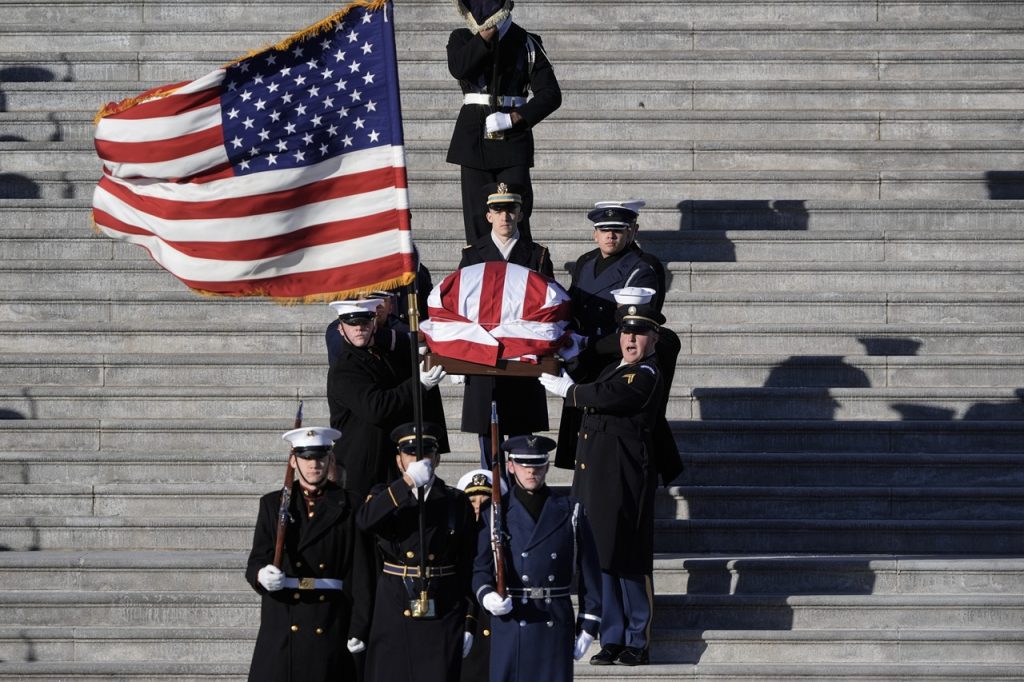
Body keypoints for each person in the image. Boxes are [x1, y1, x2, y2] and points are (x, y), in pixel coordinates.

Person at [539, 302, 679, 666]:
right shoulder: (616, 367)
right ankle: (612, 637)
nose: (631, 339)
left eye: (640, 333)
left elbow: (611, 397)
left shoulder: (646, 372)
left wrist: (570, 392)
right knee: (602, 557)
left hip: (625, 477)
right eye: (627, 333)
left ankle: (637, 638)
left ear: (653, 338)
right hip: (596, 477)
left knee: (629, 558)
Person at [245, 426, 372, 682]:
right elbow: (258, 556)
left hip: (329, 619)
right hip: (283, 619)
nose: (314, 464)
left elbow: (362, 572)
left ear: (330, 460)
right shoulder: (273, 504)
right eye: (306, 458)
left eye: (321, 457)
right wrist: (261, 574)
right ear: (294, 461)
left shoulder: (351, 504)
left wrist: (360, 626)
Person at [473, 435, 602, 681]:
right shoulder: (495, 512)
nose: (531, 471)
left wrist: (589, 622)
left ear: (547, 466)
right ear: (510, 466)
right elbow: (480, 568)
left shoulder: (570, 509)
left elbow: (590, 571)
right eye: (523, 464)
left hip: (553, 619)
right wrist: (486, 593)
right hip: (512, 621)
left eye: (538, 464)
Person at [357, 422, 478, 682]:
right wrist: (407, 483)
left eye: (425, 453)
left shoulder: (455, 500)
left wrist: (470, 618)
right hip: (395, 601)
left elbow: (468, 562)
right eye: (410, 453)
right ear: (398, 460)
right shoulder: (384, 495)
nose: (418, 459)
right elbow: (365, 521)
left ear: (437, 458)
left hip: (443, 603)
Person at [454, 182, 554, 467]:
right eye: (498, 210)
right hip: (484, 359)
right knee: (489, 446)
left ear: (521, 214)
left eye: (510, 209)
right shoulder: (472, 255)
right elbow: (462, 308)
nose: (504, 216)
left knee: (524, 442)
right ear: (488, 216)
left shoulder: (537, 255)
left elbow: (549, 307)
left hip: (523, 359)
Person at [447, 0, 562, 244]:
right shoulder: (462, 38)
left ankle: (518, 272)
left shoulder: (526, 42)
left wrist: (514, 118)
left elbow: (550, 94)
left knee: (515, 214)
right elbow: (460, 68)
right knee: (478, 217)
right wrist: (485, 35)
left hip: (512, 140)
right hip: (473, 141)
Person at [326, 299, 449, 498]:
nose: (359, 329)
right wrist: (419, 385)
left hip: (389, 462)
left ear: (373, 323)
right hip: (361, 467)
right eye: (352, 324)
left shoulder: (381, 356)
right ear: (341, 329)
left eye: (365, 323)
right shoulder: (344, 368)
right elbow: (377, 408)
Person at [456, 469, 508, 682]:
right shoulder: (455, 539)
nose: (478, 506)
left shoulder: (507, 538)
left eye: (485, 501)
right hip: (468, 621)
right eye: (472, 500)